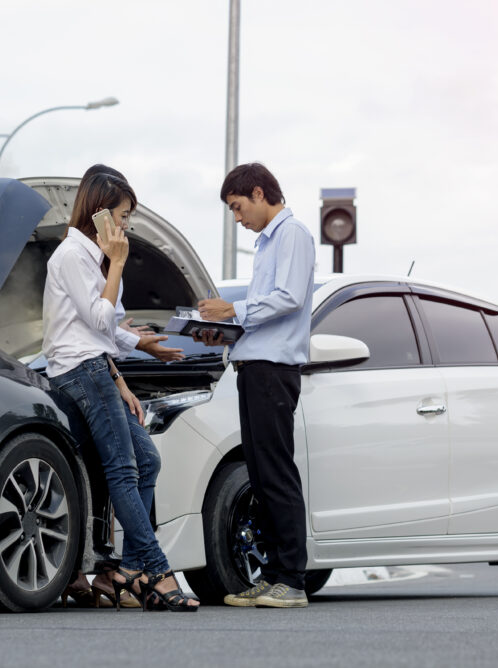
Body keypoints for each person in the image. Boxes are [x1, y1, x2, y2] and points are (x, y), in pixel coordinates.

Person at [44, 170, 198, 612]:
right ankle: (156, 569)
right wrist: (118, 262)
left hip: (96, 369)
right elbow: (97, 321)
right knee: (124, 471)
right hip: (81, 373)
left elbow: (109, 324)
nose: (127, 224)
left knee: (146, 460)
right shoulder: (73, 255)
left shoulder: (92, 257)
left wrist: (141, 349)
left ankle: (130, 567)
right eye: (124, 215)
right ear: (101, 213)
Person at [197, 163, 316, 608]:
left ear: (260, 193)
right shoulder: (268, 242)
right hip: (253, 367)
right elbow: (265, 312)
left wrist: (234, 312)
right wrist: (224, 329)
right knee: (262, 477)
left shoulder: (293, 234)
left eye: (238, 207)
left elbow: (289, 298)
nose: (237, 218)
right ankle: (271, 577)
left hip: (273, 371)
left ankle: (292, 579)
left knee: (277, 473)